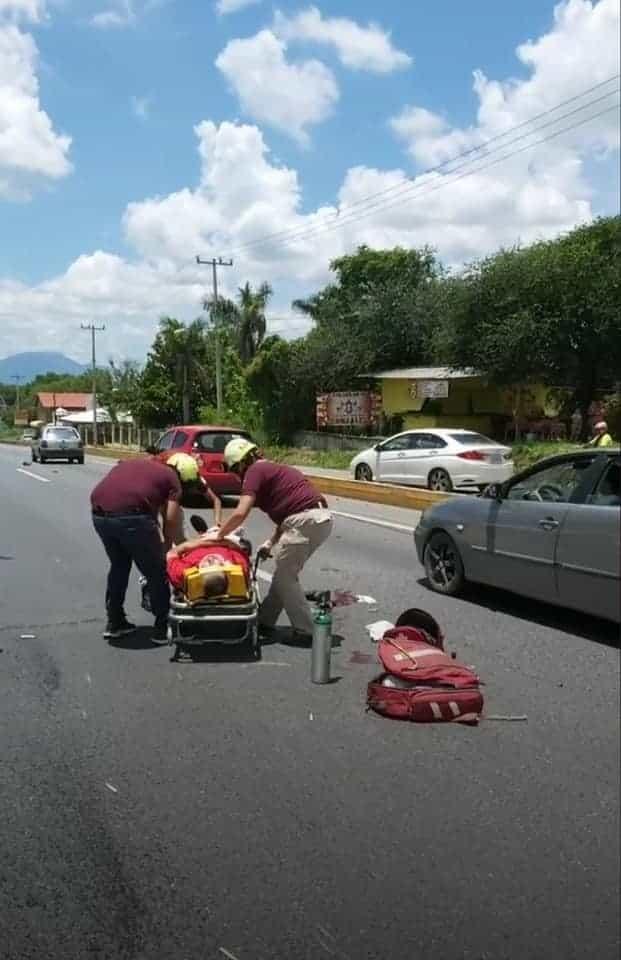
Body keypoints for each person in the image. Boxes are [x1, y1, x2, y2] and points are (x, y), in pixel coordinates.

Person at [204, 439, 333, 642]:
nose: (236, 475)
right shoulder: (272, 469)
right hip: (317, 519)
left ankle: (307, 631)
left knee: (285, 578)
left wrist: (218, 536)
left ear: (241, 463)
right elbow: (287, 516)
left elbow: (240, 512)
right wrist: (270, 543)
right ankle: (265, 621)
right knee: (283, 574)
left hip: (305, 520)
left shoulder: (254, 471)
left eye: (234, 469)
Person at [91, 452, 218, 643]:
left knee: (119, 566)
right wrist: (167, 551)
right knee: (156, 571)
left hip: (99, 514)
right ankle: (162, 626)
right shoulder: (172, 479)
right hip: (133, 517)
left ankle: (115, 622)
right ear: (182, 475)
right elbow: (170, 519)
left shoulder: (141, 464)